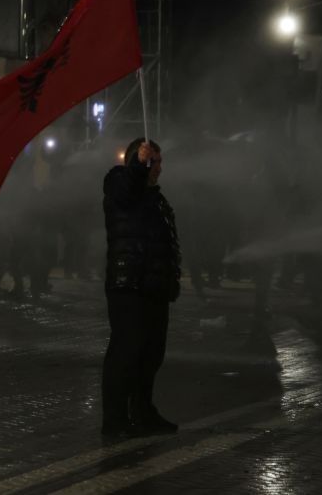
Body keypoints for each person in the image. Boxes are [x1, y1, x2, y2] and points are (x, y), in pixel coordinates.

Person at [101, 138, 181, 438]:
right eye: (152, 162)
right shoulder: (119, 180)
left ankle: (143, 411)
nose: (158, 168)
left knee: (151, 354)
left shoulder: (155, 197)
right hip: (129, 285)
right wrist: (137, 166)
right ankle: (115, 420)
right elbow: (125, 193)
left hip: (153, 287)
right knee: (125, 353)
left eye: (159, 162)